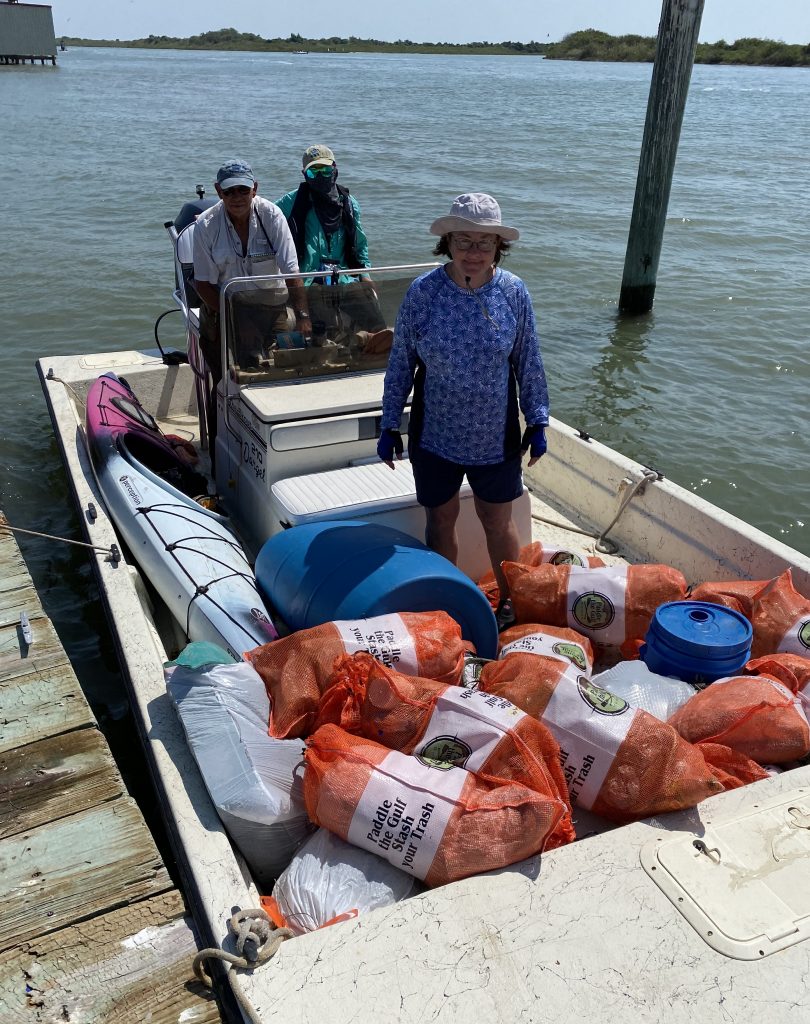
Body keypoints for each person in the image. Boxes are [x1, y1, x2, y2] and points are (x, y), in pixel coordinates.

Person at [377, 193, 549, 630]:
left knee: (497, 518)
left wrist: (539, 418)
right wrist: (389, 421)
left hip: (495, 435)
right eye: (463, 241)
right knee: (441, 517)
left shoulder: (513, 292)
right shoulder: (424, 292)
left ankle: (511, 601)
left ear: (498, 248)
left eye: (484, 243)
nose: (473, 252)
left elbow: (528, 358)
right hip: (436, 433)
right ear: (447, 243)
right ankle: (445, 600)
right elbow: (402, 361)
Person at [192, 158, 311, 461]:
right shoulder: (205, 225)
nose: (237, 198)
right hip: (221, 307)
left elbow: (292, 273)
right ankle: (223, 448)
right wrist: (233, 318)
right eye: (230, 192)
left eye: (243, 190)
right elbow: (203, 284)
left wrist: (304, 317)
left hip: (271, 308)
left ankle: (276, 446)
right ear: (219, 192)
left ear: (254, 189)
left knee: (282, 373)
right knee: (226, 380)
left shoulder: (273, 216)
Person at [276, 145, 387, 342]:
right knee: (329, 329)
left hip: (343, 278)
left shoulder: (349, 203)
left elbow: (360, 244)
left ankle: (371, 345)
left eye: (326, 170)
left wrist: (365, 275)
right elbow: (261, 216)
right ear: (304, 174)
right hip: (310, 281)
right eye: (313, 171)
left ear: (335, 169)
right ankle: (345, 345)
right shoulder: (291, 202)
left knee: (377, 323)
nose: (321, 176)